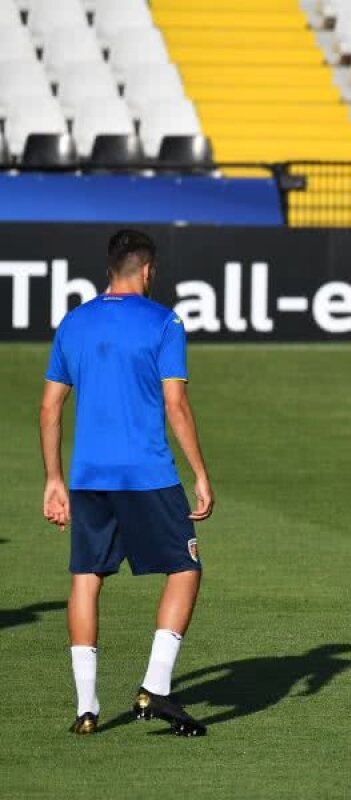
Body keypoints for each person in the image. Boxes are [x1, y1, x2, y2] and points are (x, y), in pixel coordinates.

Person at [40, 229, 214, 737]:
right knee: (185, 567)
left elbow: (50, 407)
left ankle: (86, 708)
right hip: (147, 473)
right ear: (147, 269)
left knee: (86, 577)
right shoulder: (164, 322)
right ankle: (155, 686)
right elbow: (175, 404)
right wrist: (200, 472)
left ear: (110, 269)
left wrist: (53, 479)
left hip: (88, 475)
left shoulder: (74, 322)